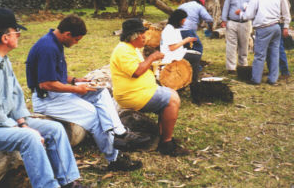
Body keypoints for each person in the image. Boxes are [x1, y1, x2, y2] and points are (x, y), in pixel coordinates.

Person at [0, 8, 86, 188]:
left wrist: (22, 122)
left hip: (1, 121)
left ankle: (69, 181)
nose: (19, 35)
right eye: (17, 32)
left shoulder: (1, 58)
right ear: (5, 38)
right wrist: (24, 130)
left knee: (55, 129)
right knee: (29, 138)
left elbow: (15, 94)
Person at [26, 14, 149, 172]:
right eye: (76, 39)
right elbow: (46, 83)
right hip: (47, 99)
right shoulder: (48, 48)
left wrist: (76, 80)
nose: (76, 43)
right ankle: (114, 158)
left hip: (57, 93)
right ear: (67, 34)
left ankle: (119, 132)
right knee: (94, 115)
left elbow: (55, 75)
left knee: (101, 92)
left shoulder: (54, 42)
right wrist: (76, 89)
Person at [110, 18, 189, 157]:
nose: (145, 37)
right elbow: (136, 72)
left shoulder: (131, 49)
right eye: (143, 34)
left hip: (141, 91)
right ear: (135, 35)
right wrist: (152, 58)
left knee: (171, 93)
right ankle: (166, 143)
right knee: (172, 100)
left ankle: (161, 136)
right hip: (132, 95)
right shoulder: (123, 50)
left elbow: (140, 68)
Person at [236, 0, 281, 85]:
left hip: (264, 28)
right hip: (276, 27)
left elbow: (248, 15)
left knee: (260, 55)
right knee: (274, 54)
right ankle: (273, 79)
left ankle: (256, 79)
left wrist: (240, 13)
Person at [221, 0, 253, 73]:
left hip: (245, 23)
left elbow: (252, 9)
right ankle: (231, 68)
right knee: (231, 46)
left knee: (244, 45)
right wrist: (224, 20)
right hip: (232, 23)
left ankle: (243, 65)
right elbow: (226, 7)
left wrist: (243, 10)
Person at [160, 9, 199, 82]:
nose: (184, 22)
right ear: (179, 20)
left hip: (176, 53)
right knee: (195, 57)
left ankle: (192, 79)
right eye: (183, 20)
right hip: (171, 56)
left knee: (195, 54)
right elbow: (172, 48)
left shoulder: (174, 29)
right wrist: (186, 40)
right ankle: (193, 82)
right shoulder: (169, 29)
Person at [266, 0, 291, 80]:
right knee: (267, 48)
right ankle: (271, 70)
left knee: (279, 48)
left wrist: (285, 27)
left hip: (279, 24)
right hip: (268, 24)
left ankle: (285, 71)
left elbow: (286, 14)